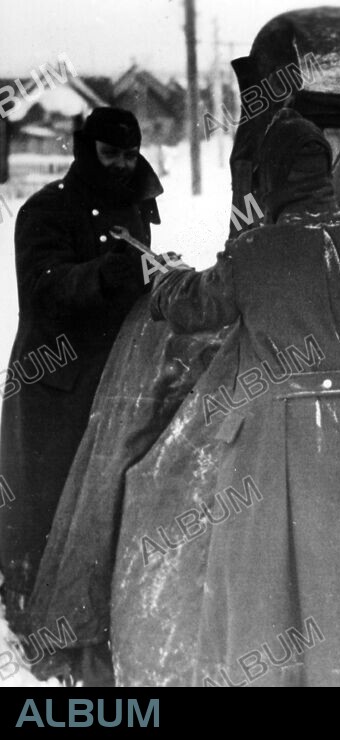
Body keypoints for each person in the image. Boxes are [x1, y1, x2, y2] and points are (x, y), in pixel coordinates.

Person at [149, 109, 340, 686]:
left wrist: (163, 278)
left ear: (269, 179)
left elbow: (196, 307)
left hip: (278, 437)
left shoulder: (256, 250)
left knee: (270, 580)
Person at [0, 107, 171, 683]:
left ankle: (85, 614)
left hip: (113, 375)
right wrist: (108, 273)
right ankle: (28, 611)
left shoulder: (133, 203)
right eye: (110, 155)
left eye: (129, 155)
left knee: (95, 499)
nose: (123, 167)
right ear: (83, 149)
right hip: (54, 379)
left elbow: (128, 279)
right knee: (41, 497)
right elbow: (45, 290)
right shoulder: (44, 210)